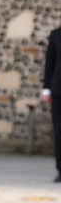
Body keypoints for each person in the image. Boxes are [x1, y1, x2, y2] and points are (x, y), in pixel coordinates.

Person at [42, 25, 61, 182]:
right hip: (58, 90)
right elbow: (50, 62)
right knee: (59, 132)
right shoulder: (56, 34)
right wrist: (46, 88)